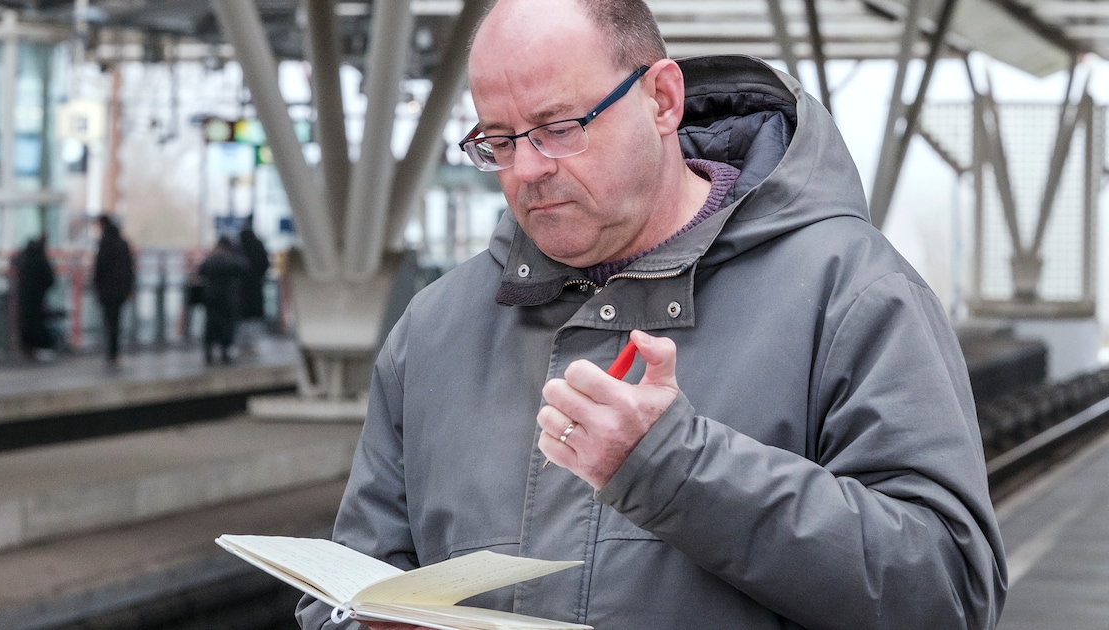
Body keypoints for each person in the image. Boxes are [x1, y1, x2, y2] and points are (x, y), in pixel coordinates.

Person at [296, 1, 1007, 628]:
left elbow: (947, 592)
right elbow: (350, 579)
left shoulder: (854, 293)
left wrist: (678, 468)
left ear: (663, 99)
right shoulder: (433, 331)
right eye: (499, 140)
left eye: (559, 126)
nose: (528, 169)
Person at [197, 235, 248, 364]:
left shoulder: (210, 261)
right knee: (226, 326)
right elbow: (245, 268)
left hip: (211, 298)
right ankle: (224, 352)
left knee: (211, 325)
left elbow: (201, 271)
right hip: (228, 298)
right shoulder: (232, 261)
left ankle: (208, 352)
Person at [92, 215, 135, 367]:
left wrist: (96, 286)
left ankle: (111, 352)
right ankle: (115, 352)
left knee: (109, 321)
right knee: (116, 321)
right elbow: (130, 268)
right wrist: (129, 288)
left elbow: (99, 268)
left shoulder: (104, 243)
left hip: (107, 290)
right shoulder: (123, 243)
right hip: (120, 290)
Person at [14, 234, 58, 359]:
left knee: (27, 322)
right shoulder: (40, 259)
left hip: (25, 297)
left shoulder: (24, 258)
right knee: (37, 322)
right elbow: (50, 279)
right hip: (38, 297)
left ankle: (27, 347)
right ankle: (37, 347)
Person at [236, 217, 271, 353]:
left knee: (242, 316)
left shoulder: (238, 246)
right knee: (254, 316)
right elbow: (265, 264)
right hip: (255, 286)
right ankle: (252, 343)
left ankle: (242, 343)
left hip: (241, 289)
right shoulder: (258, 245)